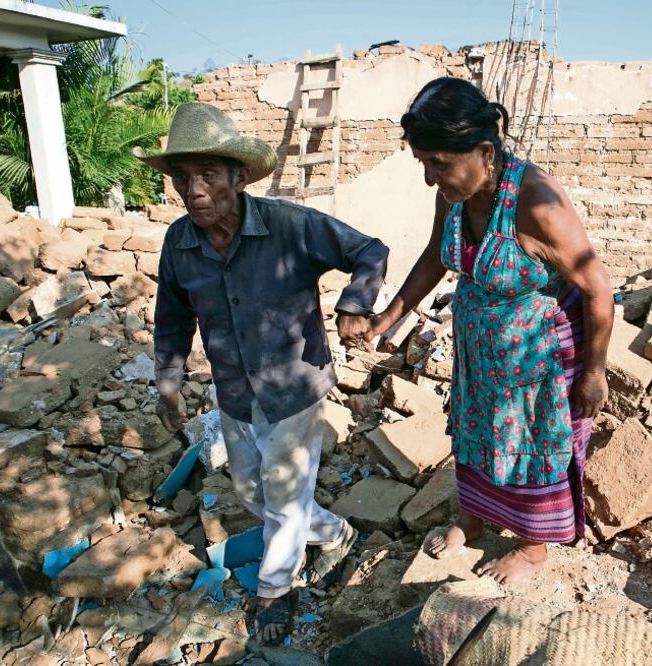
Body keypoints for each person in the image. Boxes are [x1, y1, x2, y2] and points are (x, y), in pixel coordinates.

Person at [136, 103, 388, 642]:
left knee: (281, 494)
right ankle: (336, 532)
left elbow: (370, 250)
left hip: (295, 386)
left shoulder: (289, 225)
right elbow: (173, 318)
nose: (193, 189)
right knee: (254, 492)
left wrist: (353, 303)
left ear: (239, 176)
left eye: (207, 175)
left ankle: (276, 592)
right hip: (233, 390)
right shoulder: (179, 242)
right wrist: (168, 382)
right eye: (183, 177)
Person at [369, 78, 614, 584]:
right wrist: (389, 317)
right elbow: (437, 257)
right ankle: (473, 517)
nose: (430, 178)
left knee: (530, 445)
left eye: (438, 163)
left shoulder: (538, 201)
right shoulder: (454, 194)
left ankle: (532, 546)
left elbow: (598, 287)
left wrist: (594, 371)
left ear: (484, 151)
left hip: (536, 360)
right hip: (480, 354)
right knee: (478, 434)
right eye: (424, 164)